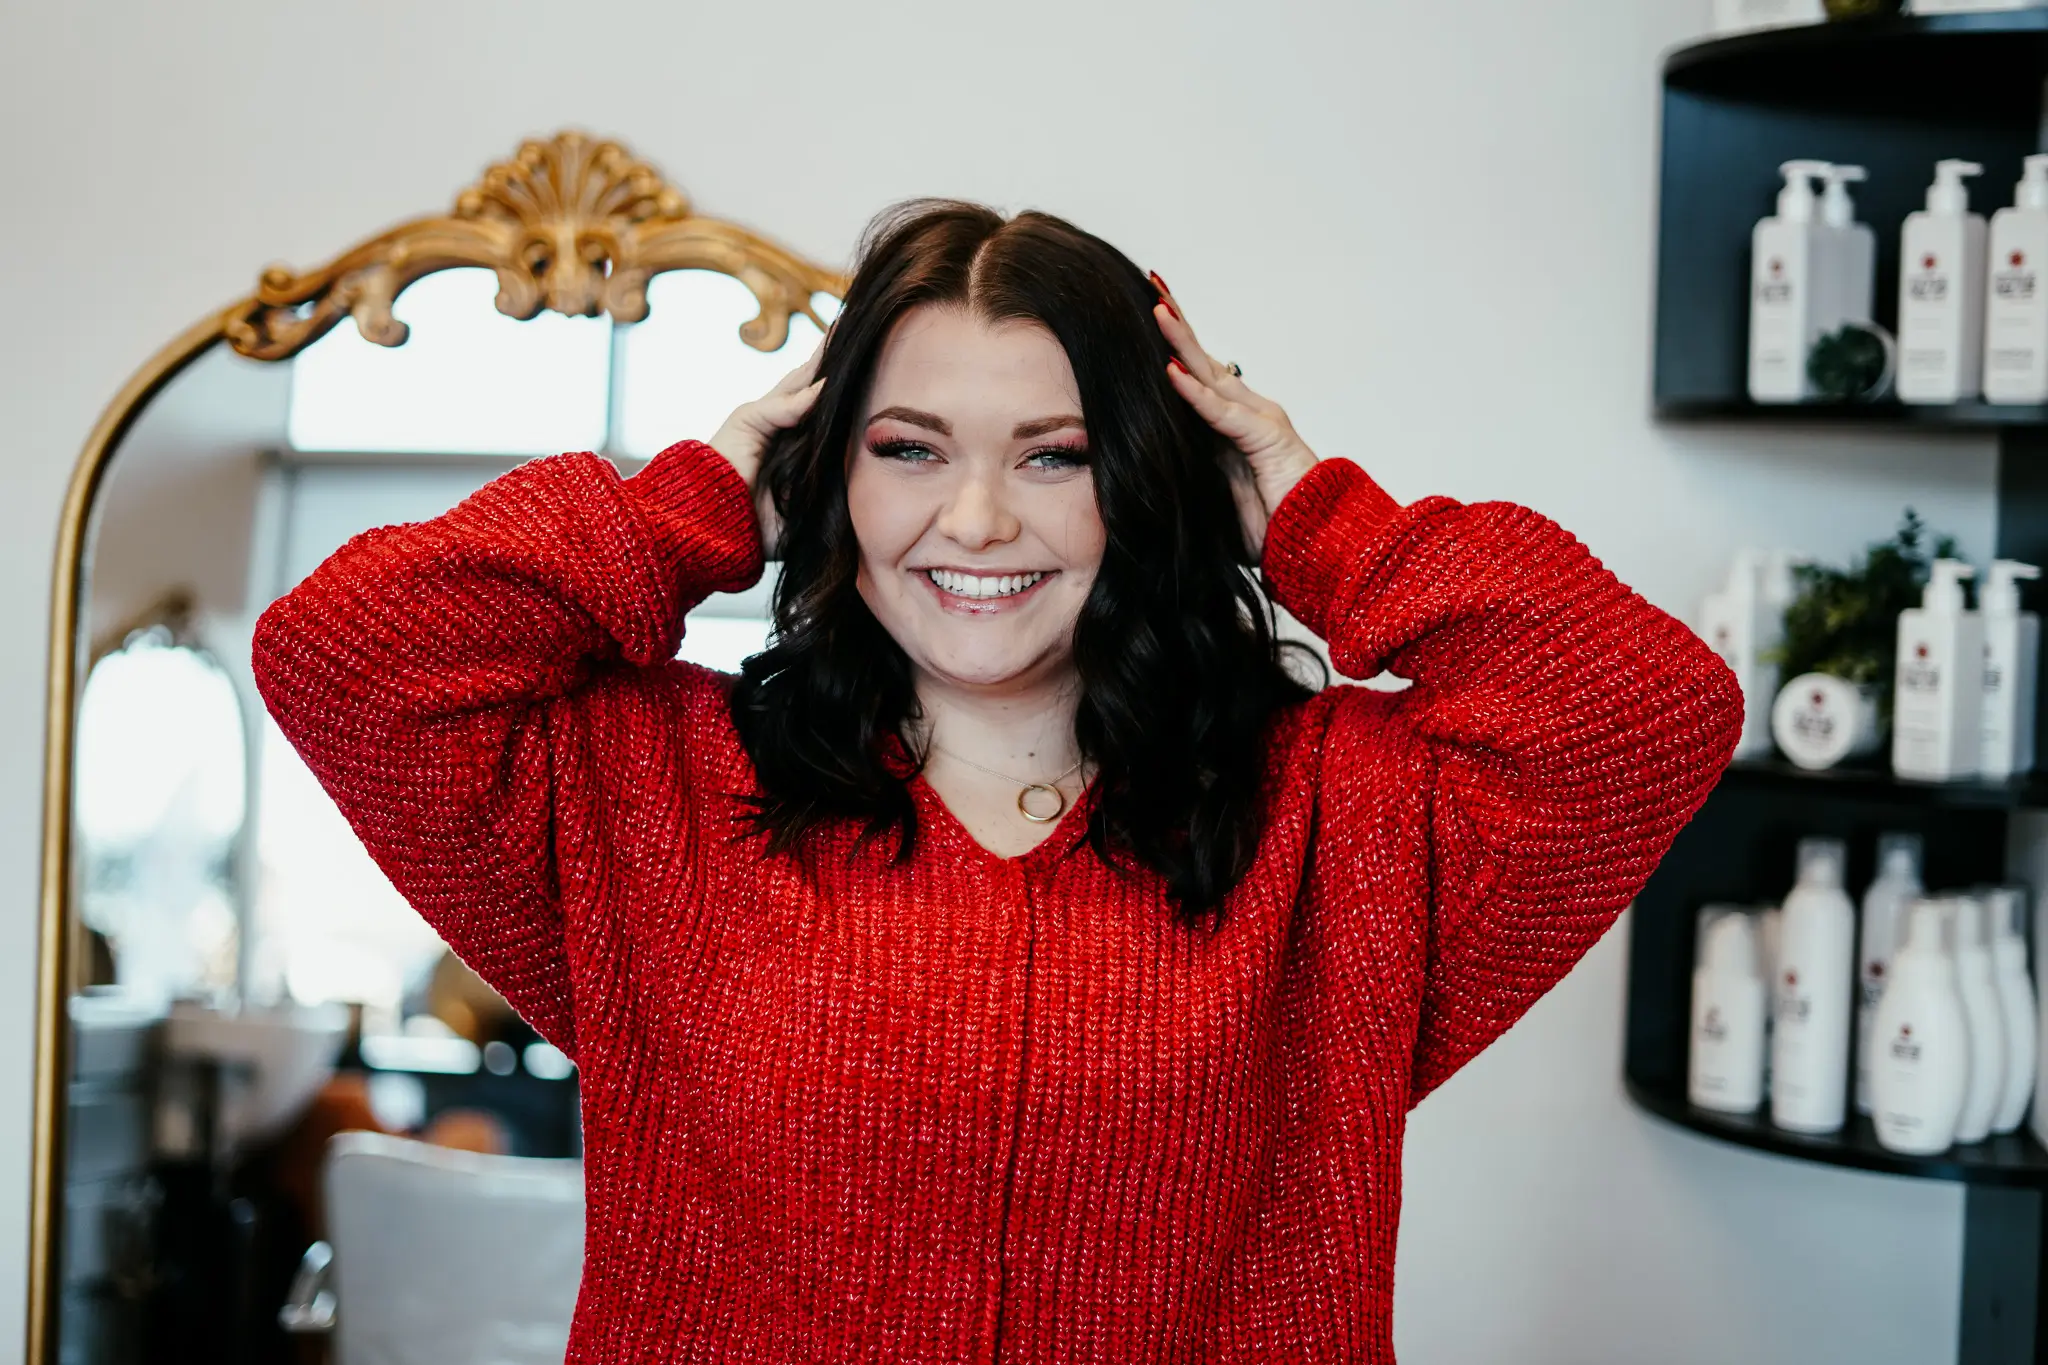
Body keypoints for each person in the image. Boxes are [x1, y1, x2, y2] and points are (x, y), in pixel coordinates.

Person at [252, 199, 1741, 1363]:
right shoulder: (652, 787)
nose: (973, 520)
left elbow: (1650, 709)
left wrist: (1303, 509)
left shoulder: (1331, 813)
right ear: (827, 473)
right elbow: (340, 653)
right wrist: (697, 498)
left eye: (1056, 457)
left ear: (1152, 482)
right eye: (908, 448)